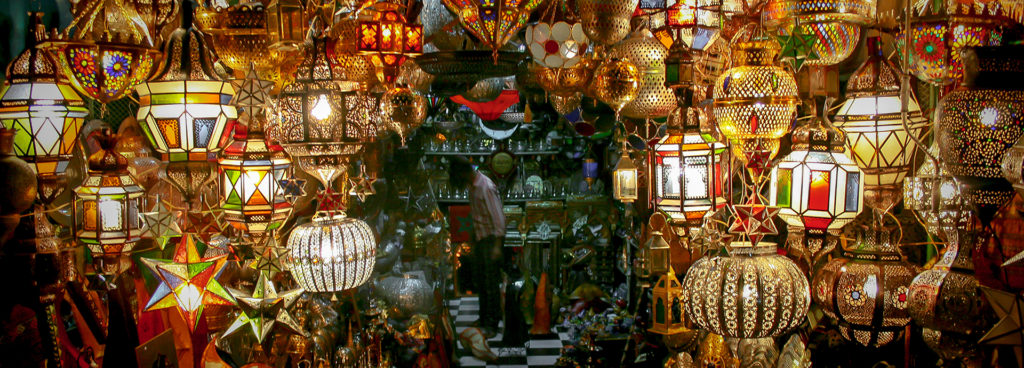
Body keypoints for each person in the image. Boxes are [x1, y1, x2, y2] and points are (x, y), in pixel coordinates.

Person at [450, 156, 505, 337]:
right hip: (482, 240)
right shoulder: (473, 187)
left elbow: (498, 218)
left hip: (491, 241)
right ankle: (483, 319)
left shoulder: (485, 187)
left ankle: (492, 324)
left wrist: (497, 246)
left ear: (462, 173)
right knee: (481, 282)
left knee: (490, 284)